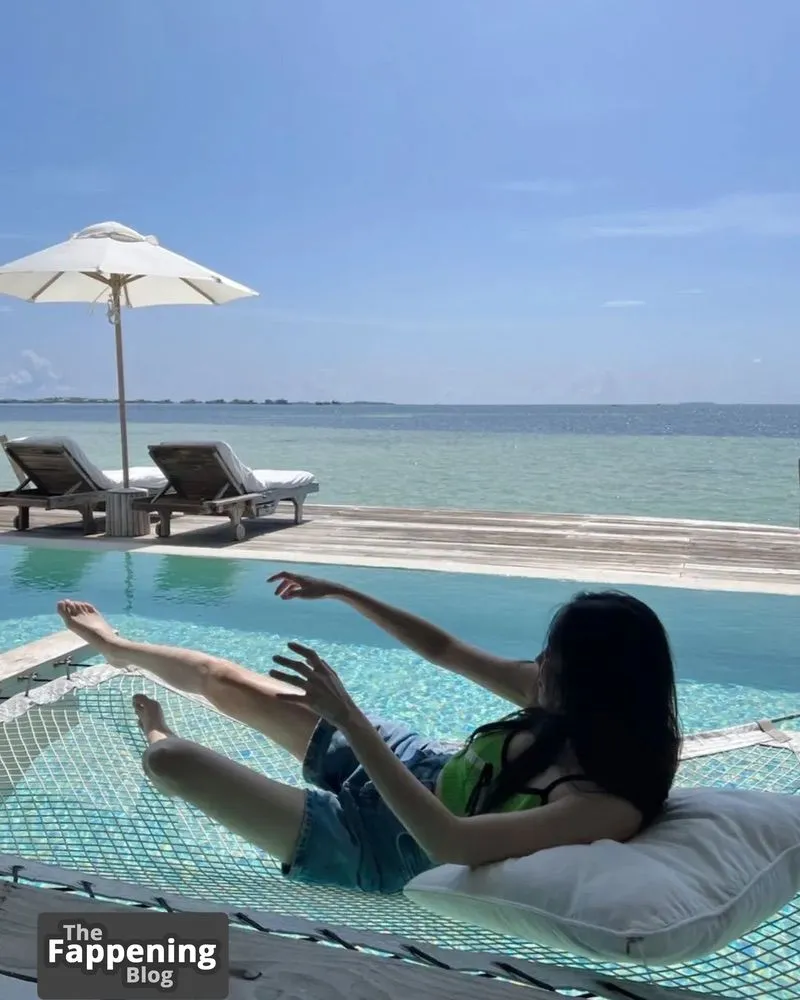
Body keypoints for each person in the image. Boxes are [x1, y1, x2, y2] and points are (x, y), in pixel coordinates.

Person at [55, 572, 681, 894]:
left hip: (384, 848)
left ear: (600, 683)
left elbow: (450, 841)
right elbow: (444, 649)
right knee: (225, 680)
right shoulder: (565, 698)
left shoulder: (605, 803)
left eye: (553, 658)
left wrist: (351, 721)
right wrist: (342, 593)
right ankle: (117, 648)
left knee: (172, 762)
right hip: (416, 764)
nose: (537, 665)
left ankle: (156, 729)